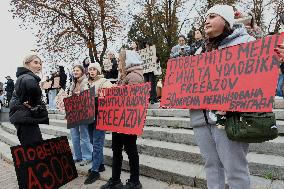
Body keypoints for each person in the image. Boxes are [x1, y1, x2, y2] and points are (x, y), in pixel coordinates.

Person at [190, 5, 255, 189]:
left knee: (235, 169)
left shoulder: (246, 43)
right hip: (201, 118)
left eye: (212, 16)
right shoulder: (200, 51)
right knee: (211, 167)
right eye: (205, 17)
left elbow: (254, 79)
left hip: (230, 117)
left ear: (226, 20)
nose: (206, 20)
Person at [101, 50, 144, 189]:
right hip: (119, 120)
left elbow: (132, 101)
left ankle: (135, 182)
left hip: (128, 121)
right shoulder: (125, 76)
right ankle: (115, 180)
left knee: (131, 150)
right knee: (116, 149)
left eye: (120, 60)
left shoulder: (134, 77)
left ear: (127, 61)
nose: (119, 63)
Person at [9, 54, 48, 145]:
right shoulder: (28, 77)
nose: (39, 66)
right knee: (34, 148)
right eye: (35, 62)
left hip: (24, 118)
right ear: (27, 64)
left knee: (32, 148)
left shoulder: (23, 77)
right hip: (25, 118)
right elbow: (32, 88)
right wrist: (33, 102)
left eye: (40, 63)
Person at [84, 63, 113, 184]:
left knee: (97, 142)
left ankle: (95, 171)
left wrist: (94, 99)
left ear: (98, 70)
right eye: (90, 69)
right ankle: (100, 164)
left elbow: (109, 95)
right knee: (92, 140)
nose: (91, 71)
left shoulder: (104, 81)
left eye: (94, 69)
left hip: (100, 115)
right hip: (89, 116)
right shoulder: (86, 83)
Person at [69, 65, 93, 166]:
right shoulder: (73, 83)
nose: (75, 72)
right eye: (74, 70)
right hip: (73, 111)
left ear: (82, 71)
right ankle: (77, 156)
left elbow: (90, 95)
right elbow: (70, 95)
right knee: (74, 135)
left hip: (83, 111)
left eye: (77, 70)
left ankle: (87, 157)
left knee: (84, 135)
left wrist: (82, 94)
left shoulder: (87, 81)